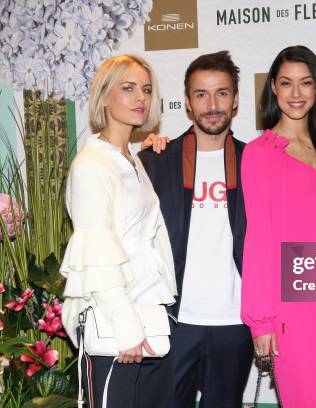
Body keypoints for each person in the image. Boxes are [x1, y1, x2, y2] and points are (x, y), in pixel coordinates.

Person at [241, 45, 316, 408]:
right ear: (273, 87)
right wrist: (262, 321)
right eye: (286, 83)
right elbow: (259, 239)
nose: (296, 94)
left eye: (306, 83)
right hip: (293, 306)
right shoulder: (261, 152)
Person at [59, 54, 177, 408]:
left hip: (147, 316)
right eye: (127, 88)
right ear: (104, 96)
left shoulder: (131, 159)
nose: (140, 97)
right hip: (117, 328)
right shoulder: (91, 165)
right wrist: (126, 328)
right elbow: (95, 252)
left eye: (145, 89)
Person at [138, 51, 253, 408]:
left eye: (222, 93)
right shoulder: (156, 162)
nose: (213, 104)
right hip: (174, 322)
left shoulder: (255, 162)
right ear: (187, 103)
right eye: (201, 94)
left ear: (235, 100)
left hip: (235, 325)